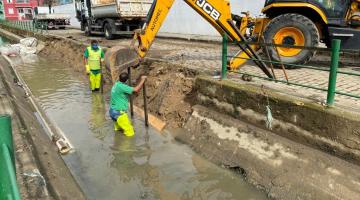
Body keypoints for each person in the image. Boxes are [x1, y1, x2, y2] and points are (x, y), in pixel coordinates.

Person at [109, 72, 147, 137]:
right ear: (126, 80)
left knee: (118, 130)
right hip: (119, 113)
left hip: (112, 112)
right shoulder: (123, 87)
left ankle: (117, 144)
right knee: (130, 133)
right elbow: (136, 90)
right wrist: (143, 80)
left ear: (119, 78)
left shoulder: (116, 84)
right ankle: (126, 147)